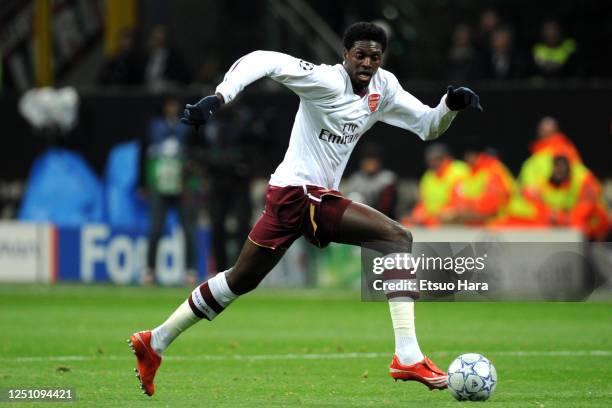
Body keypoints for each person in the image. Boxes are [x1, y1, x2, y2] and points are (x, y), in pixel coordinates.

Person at [128, 22, 482, 396]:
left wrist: (449, 106)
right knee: (396, 237)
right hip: (299, 191)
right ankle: (407, 355)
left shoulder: (385, 87)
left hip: (292, 196)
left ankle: (156, 341)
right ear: (345, 55)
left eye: (374, 56)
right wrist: (219, 97)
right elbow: (264, 59)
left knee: (239, 280)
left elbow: (427, 127)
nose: (366, 63)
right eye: (359, 54)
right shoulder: (324, 81)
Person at [139, 97, 199, 285]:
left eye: (175, 104)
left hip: (182, 186)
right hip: (159, 184)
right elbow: (143, 155)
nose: (172, 108)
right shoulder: (154, 127)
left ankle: (190, 270)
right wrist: (143, 183)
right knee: (155, 228)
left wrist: (191, 182)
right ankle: (150, 270)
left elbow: (194, 155)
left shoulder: (187, 126)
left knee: (188, 228)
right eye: (169, 104)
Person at [402, 143, 469, 227]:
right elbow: (422, 203)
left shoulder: (459, 170)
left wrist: (448, 211)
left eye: (436, 159)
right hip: (432, 221)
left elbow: (463, 202)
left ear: (446, 158)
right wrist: (416, 216)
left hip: (456, 221)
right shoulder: (428, 176)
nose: (432, 163)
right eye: (430, 160)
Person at [344, 143, 398, 219]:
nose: (370, 163)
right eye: (368, 160)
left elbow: (386, 207)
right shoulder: (356, 178)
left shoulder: (387, 178)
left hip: (383, 219)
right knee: (355, 197)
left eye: (373, 159)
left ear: (380, 161)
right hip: (360, 218)